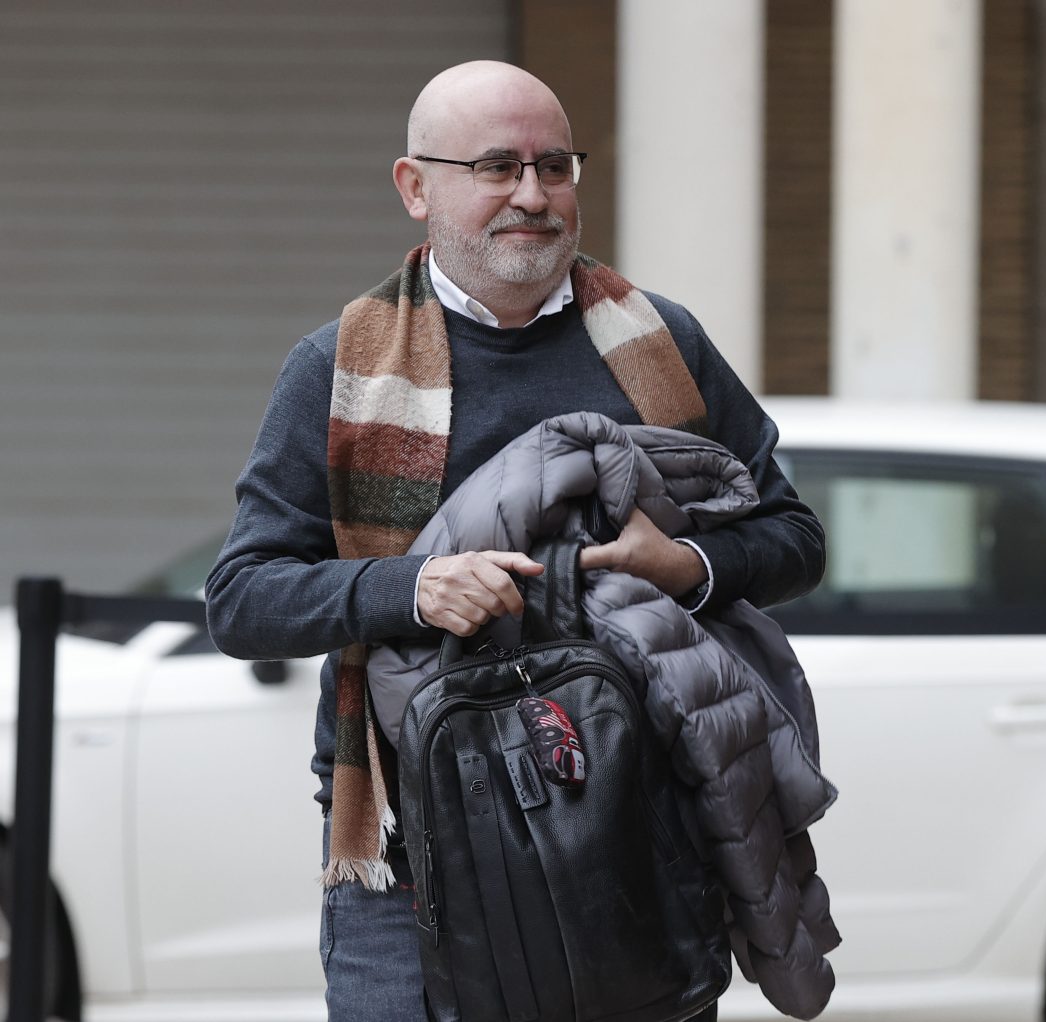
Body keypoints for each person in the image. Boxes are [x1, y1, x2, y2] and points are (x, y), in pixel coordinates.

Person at [205, 60, 825, 1022]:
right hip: (410, 850)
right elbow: (243, 599)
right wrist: (414, 589)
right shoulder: (337, 367)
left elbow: (794, 537)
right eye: (497, 167)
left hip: (636, 836)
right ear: (416, 187)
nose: (533, 196)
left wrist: (688, 566)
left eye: (554, 167)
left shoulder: (663, 343)